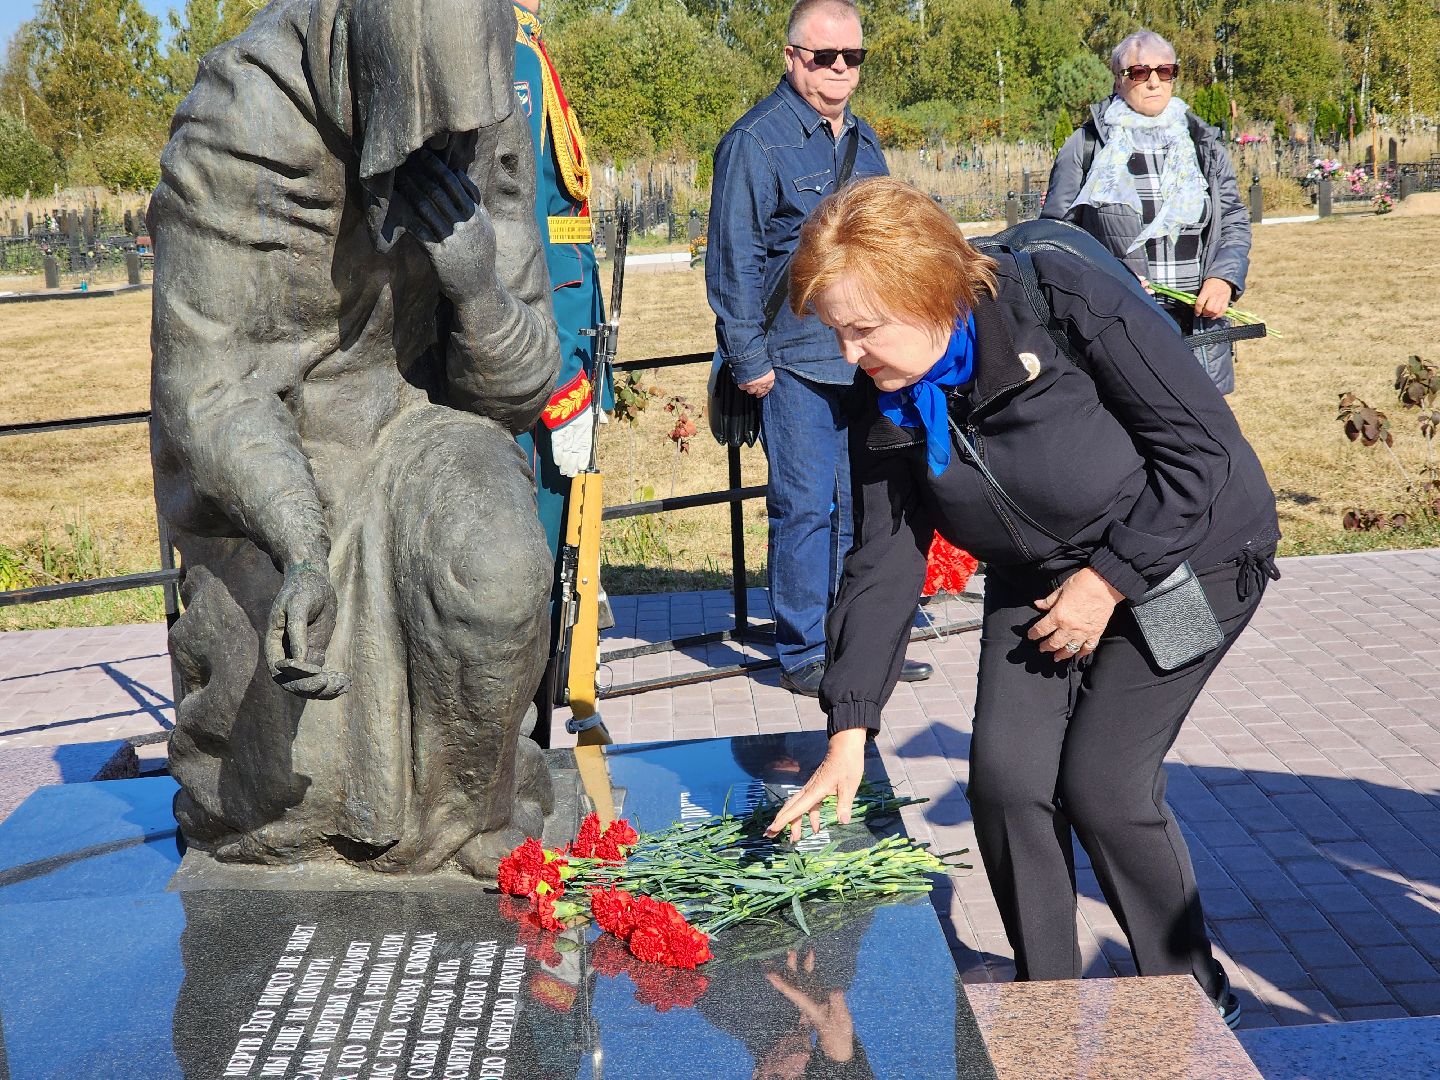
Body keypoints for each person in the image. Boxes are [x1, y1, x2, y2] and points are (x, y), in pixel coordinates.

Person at [766, 177, 1281, 1027]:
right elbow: (884, 557)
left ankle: (1189, 1001)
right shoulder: (889, 393)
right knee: (1006, 783)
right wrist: (849, 729)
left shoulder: (1062, 301)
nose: (850, 355)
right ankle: (1048, 1007)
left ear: (928, 291)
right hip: (1040, 571)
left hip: (1189, 552)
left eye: (864, 329)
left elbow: (1201, 453)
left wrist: (1107, 582)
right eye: (836, 333)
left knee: (1105, 785)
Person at [150, 0, 560, 876]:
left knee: (498, 571)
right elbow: (211, 390)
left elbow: (521, 390)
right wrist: (302, 544)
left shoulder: (484, 109)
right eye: (428, 136)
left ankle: (467, 817)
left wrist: (479, 291)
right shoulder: (240, 119)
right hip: (271, 463)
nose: (456, 149)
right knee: (289, 775)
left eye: (467, 132)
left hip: (419, 425)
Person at [707, 0, 929, 696]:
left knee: (863, 506)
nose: (839, 69)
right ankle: (804, 650)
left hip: (866, 360)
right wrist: (748, 360)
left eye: (851, 57)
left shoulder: (865, 141)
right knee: (804, 508)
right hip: (793, 360)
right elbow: (733, 259)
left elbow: (891, 244)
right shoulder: (755, 142)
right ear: (791, 57)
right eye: (824, 56)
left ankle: (856, 644)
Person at [1043, 29, 1252, 395]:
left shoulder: (1202, 143)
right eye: (1139, 72)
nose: (1154, 81)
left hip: (1199, 324)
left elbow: (1233, 220)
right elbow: (1053, 239)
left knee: (1201, 423)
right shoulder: (1087, 146)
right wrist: (1106, 280)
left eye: (1165, 71)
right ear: (1118, 80)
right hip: (1120, 324)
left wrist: (1224, 279)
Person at [512, 0, 613, 742]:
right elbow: (512, 227)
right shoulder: (505, 56)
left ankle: (536, 731)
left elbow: (562, 218)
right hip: (536, 351)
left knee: (560, 564)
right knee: (535, 559)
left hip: (564, 331)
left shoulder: (528, 47)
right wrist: (564, 378)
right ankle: (520, 738)